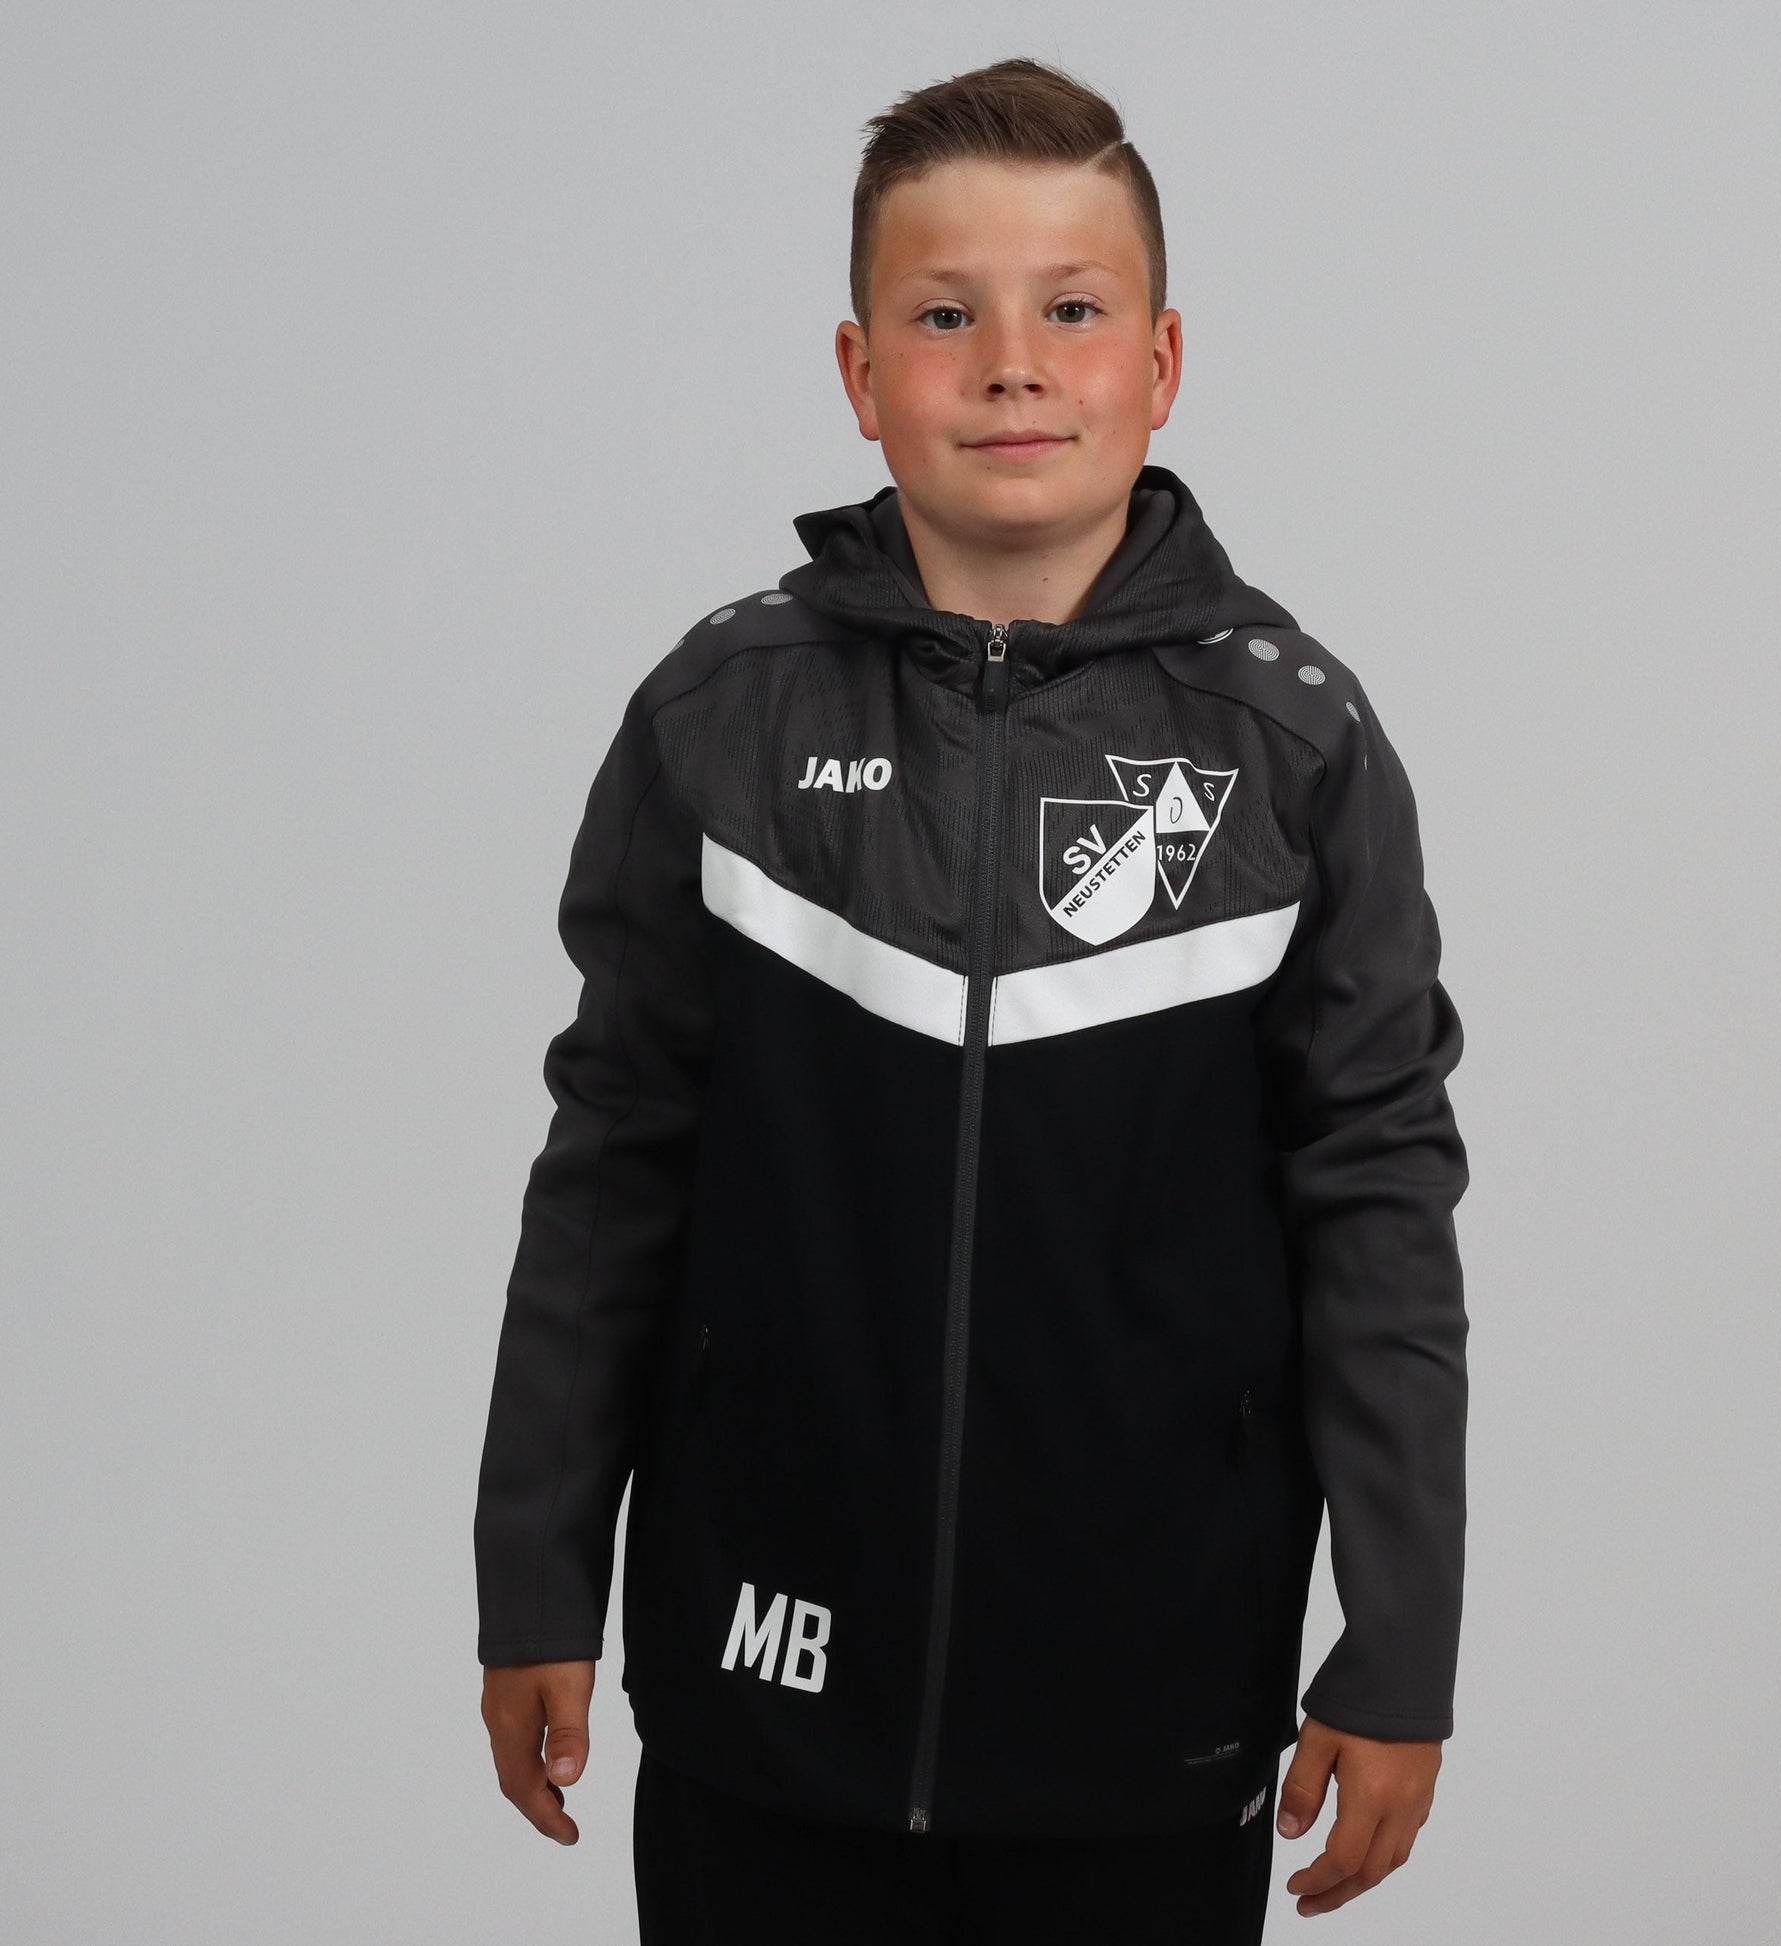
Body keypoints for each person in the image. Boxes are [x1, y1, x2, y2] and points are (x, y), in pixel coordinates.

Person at [473, 54, 1470, 1943]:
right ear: (862, 374)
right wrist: (536, 1571)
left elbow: (1379, 1201)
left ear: (1159, 363)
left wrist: (1398, 1638)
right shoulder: (721, 716)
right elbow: (609, 1161)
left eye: (1069, 311)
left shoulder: (1289, 746)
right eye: (946, 317)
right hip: (762, 1688)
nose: (1012, 366)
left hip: (1149, 1697)